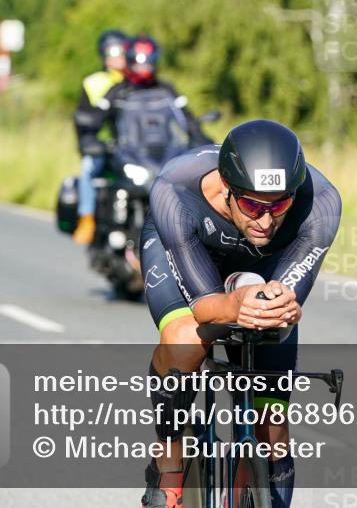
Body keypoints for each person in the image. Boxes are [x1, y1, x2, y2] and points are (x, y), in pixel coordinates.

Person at [138, 119, 342, 508]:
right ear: (227, 188)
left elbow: (284, 297)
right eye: (252, 205)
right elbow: (204, 305)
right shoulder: (175, 189)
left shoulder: (322, 204)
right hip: (186, 250)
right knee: (186, 341)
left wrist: (280, 307)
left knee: (273, 425)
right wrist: (233, 304)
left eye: (280, 205)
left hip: (265, 267)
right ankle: (168, 465)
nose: (266, 220)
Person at [93, 34, 212, 172]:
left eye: (147, 61)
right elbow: (93, 120)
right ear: (130, 60)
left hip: (168, 159)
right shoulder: (117, 92)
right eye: (139, 61)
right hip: (129, 161)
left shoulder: (166, 90)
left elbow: (187, 119)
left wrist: (203, 142)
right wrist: (90, 141)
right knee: (94, 172)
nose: (143, 66)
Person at [72, 29, 128, 244]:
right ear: (104, 56)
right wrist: (88, 144)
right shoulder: (94, 82)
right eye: (112, 52)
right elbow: (82, 118)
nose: (118, 57)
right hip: (105, 145)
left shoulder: (138, 80)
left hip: (134, 145)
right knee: (88, 167)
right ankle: (87, 218)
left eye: (122, 52)